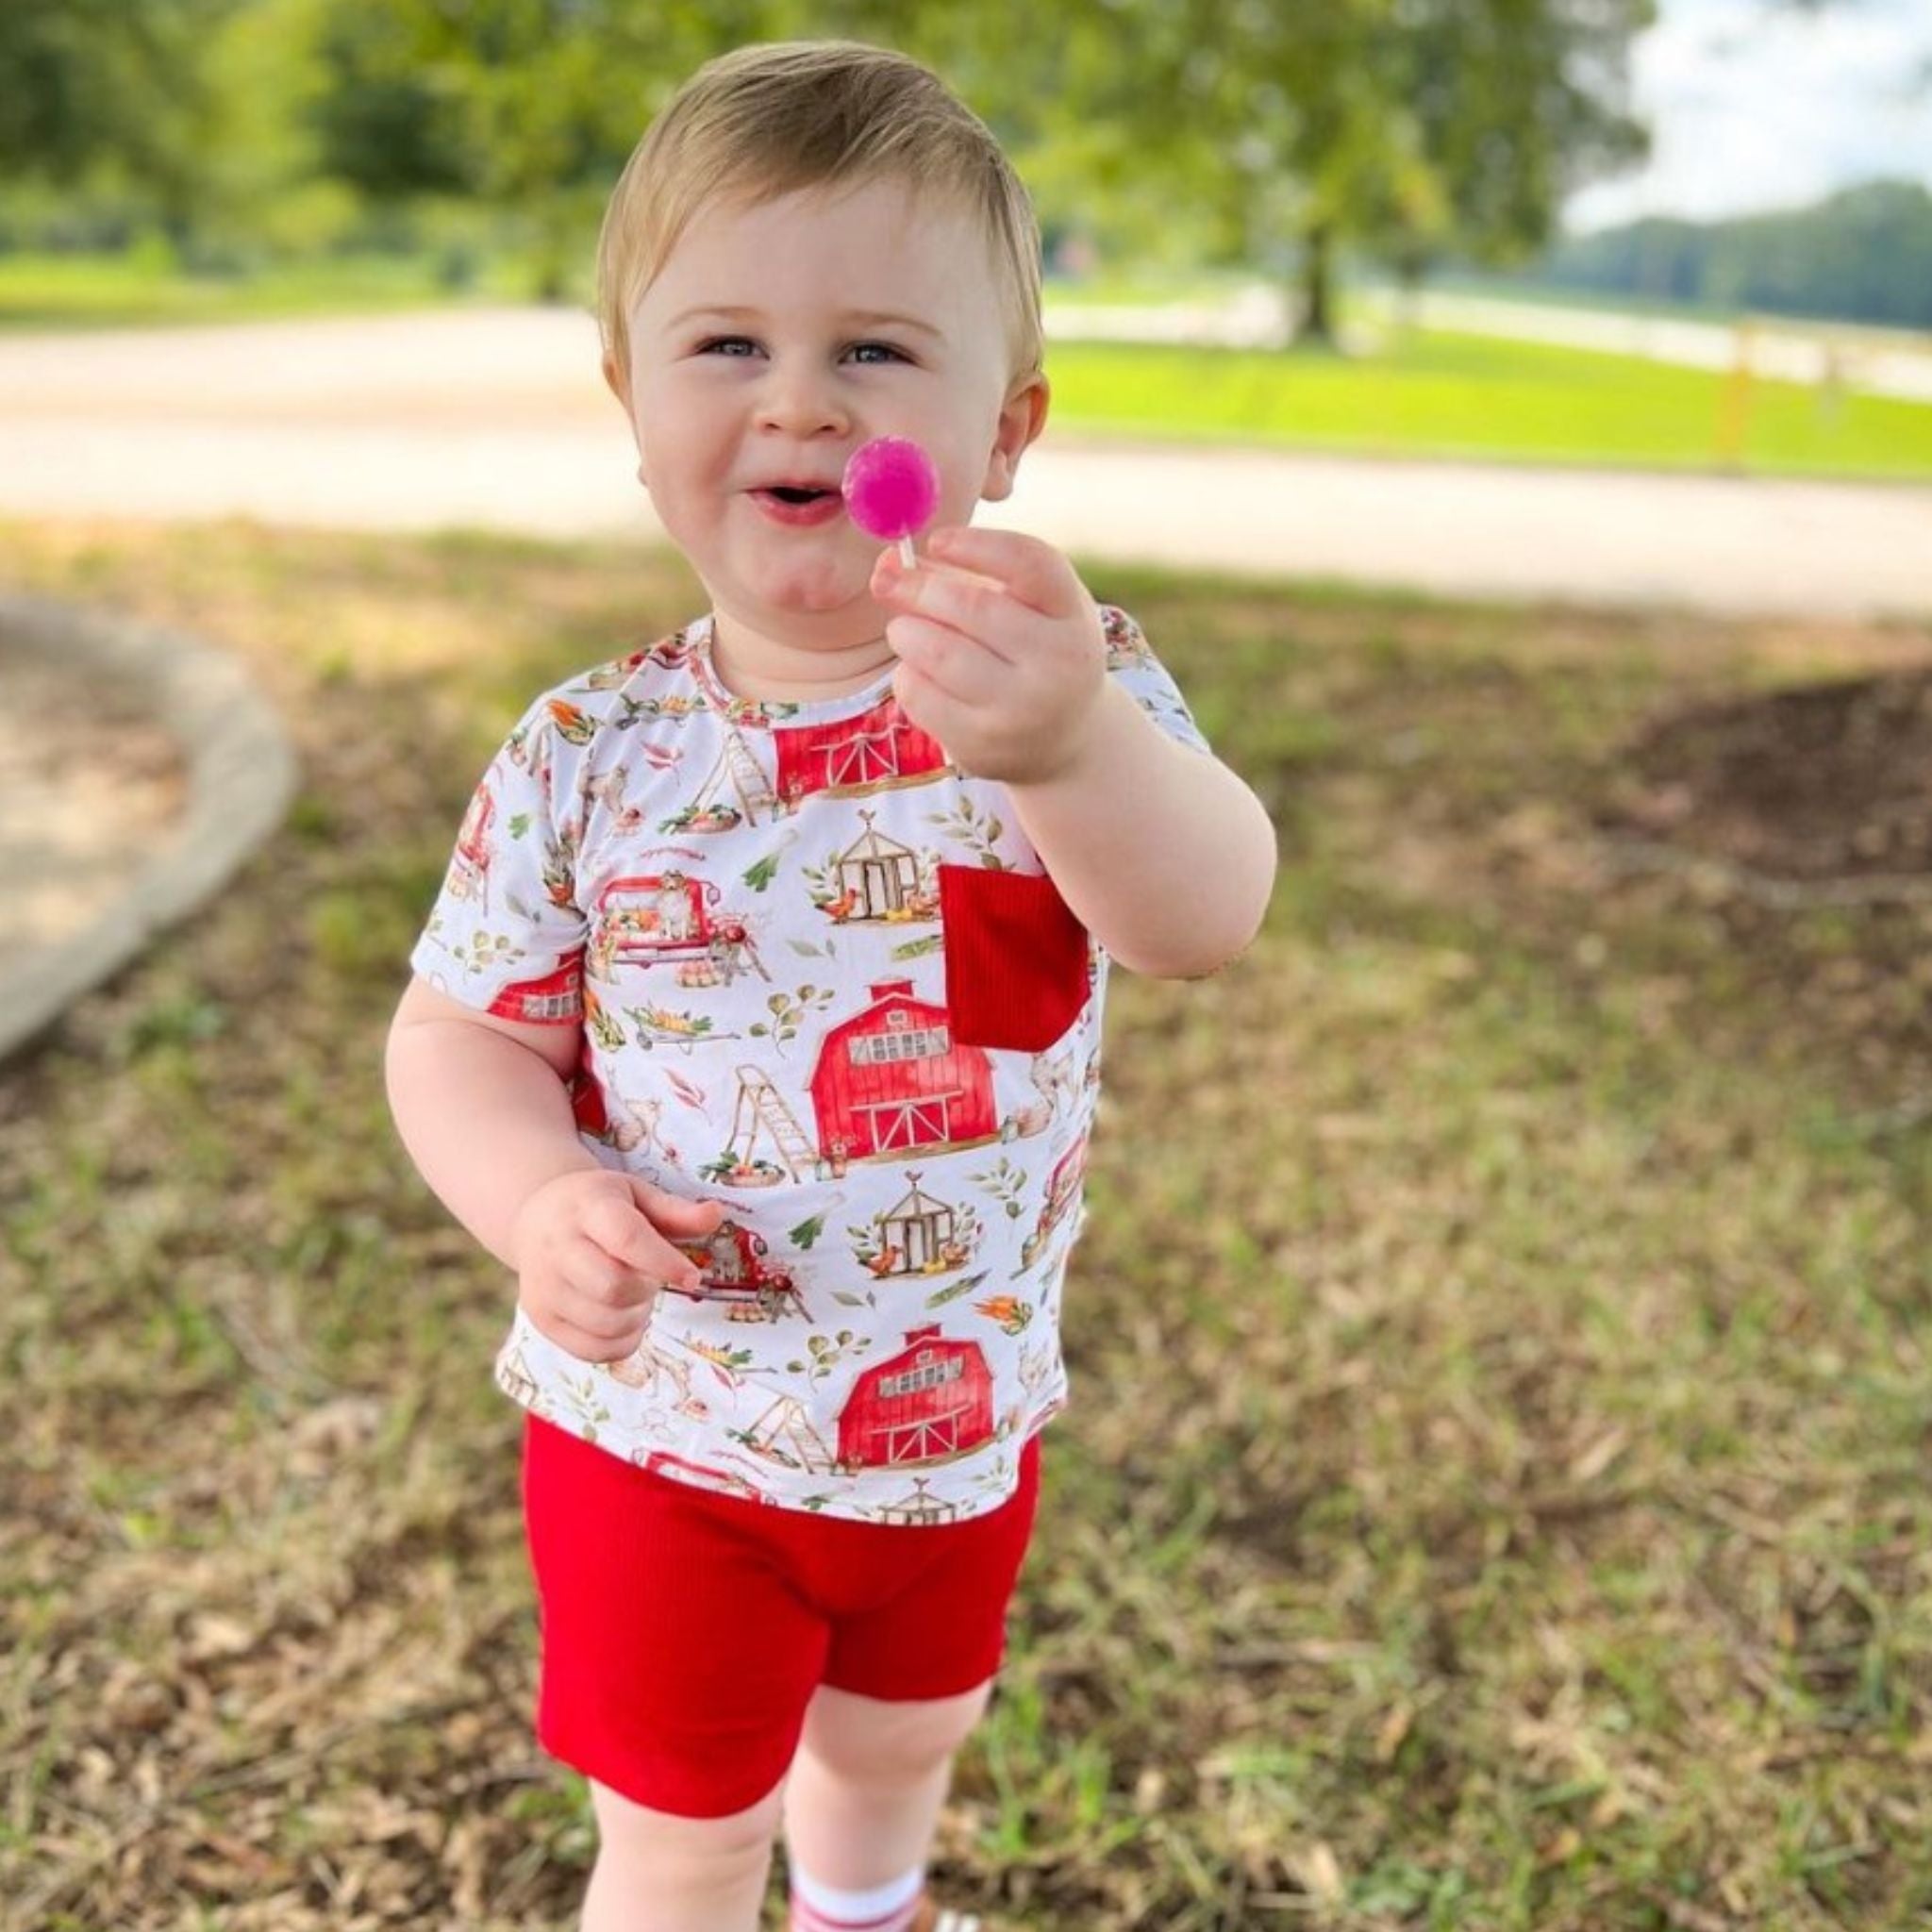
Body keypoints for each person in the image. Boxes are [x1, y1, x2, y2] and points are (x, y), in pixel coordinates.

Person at [385, 38, 1277, 1932]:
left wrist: (1065, 753)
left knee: (898, 1741)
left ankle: (865, 1915)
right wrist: (537, 1195)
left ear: (1004, 432)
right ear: (634, 410)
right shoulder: (586, 751)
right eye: (727, 349)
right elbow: (462, 1032)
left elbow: (1205, 913)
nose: (798, 400)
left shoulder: (1064, 684)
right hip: (668, 1433)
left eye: (872, 350)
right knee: (687, 1828)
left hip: (955, 1411)